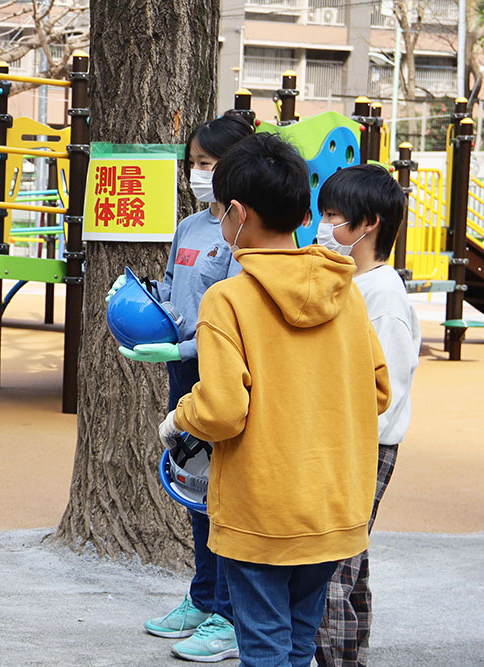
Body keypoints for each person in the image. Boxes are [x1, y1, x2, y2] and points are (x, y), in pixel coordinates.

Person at [159, 133, 391, 667]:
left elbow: (220, 409)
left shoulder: (230, 298)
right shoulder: (346, 291)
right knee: (296, 643)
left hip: (261, 510)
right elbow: (378, 390)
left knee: (262, 646)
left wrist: (178, 419)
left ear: (238, 214)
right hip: (335, 505)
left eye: (221, 211)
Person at [111, 112, 253, 662]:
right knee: (191, 488)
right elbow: (172, 290)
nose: (200, 174)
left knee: (225, 495)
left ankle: (231, 614)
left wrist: (188, 347)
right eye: (194, 163)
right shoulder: (192, 226)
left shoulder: (244, 235)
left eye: (210, 164)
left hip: (223, 374)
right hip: (183, 375)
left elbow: (240, 323)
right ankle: (203, 596)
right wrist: (146, 316)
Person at [313, 165, 421, 666]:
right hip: (342, 445)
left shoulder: (383, 299)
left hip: (361, 449)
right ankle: (350, 654)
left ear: (369, 224)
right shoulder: (351, 283)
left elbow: (386, 397)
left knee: (330, 568)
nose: (323, 227)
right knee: (349, 565)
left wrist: (338, 446)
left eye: (333, 217)